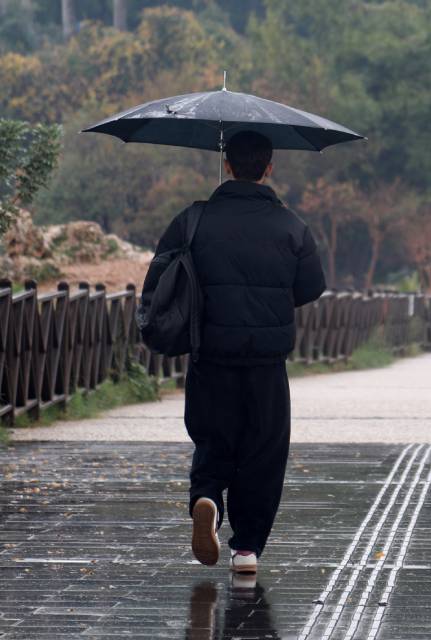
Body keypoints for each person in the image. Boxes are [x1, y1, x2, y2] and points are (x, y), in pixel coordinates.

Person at [144, 131, 326, 574]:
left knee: (213, 438)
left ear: (227, 165)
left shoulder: (193, 220)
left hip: (211, 354)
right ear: (269, 167)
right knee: (263, 450)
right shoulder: (291, 226)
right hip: (266, 360)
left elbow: (161, 276)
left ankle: (206, 499)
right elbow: (311, 286)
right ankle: (246, 550)